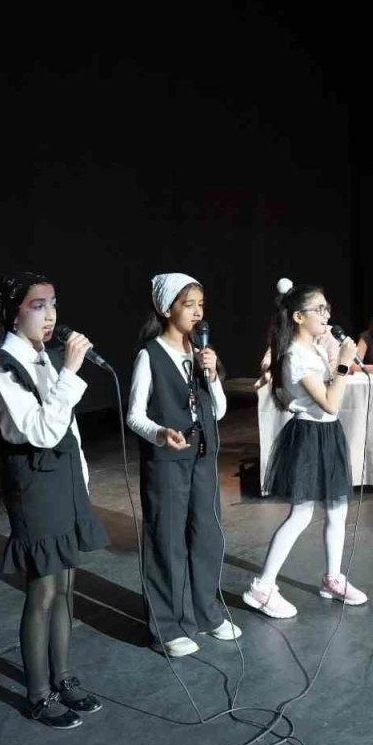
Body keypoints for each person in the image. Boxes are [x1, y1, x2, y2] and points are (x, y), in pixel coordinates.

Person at [0, 272, 107, 729]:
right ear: (13, 313)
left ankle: (63, 677)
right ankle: (38, 693)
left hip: (65, 482)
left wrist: (82, 480)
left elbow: (68, 428)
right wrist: (70, 371)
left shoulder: (44, 356)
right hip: (35, 486)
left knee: (66, 584)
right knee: (44, 589)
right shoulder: (2, 364)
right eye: (38, 305)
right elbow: (41, 430)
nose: (50, 315)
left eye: (53, 303)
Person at [127, 273, 241, 658]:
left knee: (207, 534)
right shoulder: (150, 355)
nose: (197, 313)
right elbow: (134, 415)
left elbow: (218, 410)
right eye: (188, 304)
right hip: (167, 460)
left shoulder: (200, 352)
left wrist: (212, 372)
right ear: (167, 309)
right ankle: (168, 626)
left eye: (200, 305)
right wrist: (160, 433)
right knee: (168, 538)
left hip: (202, 457)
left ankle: (206, 613)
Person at [243, 278, 367, 619]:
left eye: (328, 309)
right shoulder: (297, 356)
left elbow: (328, 395)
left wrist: (339, 366)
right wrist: (344, 363)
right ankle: (262, 586)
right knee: (301, 514)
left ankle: (332, 578)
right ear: (298, 317)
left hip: (327, 433)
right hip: (310, 435)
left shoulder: (313, 349)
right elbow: (330, 402)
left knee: (338, 509)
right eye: (319, 310)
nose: (326, 316)